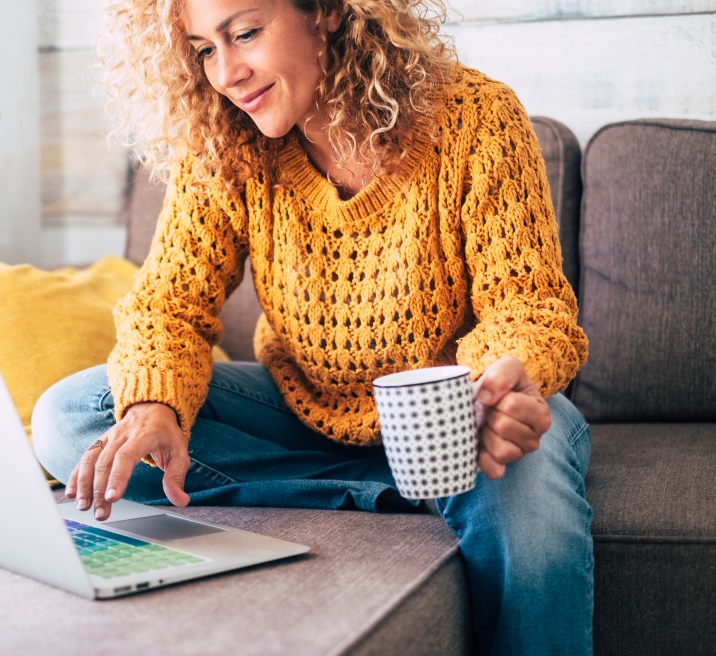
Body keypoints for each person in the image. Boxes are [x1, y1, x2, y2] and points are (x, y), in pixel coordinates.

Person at [32, 0, 594, 654]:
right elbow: (168, 304)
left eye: (243, 34)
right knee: (71, 417)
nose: (226, 74)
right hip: (307, 415)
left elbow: (528, 308)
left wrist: (496, 390)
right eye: (203, 50)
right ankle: (407, 493)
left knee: (528, 486)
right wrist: (155, 405)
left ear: (328, 11)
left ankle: (428, 484)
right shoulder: (225, 142)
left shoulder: (478, 119)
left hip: (459, 422)